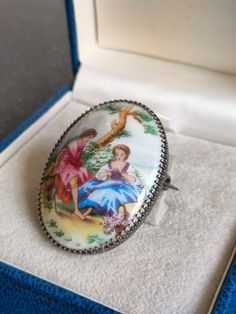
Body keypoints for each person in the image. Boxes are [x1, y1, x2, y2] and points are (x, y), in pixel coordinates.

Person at [78, 144, 144, 217]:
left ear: (126, 155)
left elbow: (133, 179)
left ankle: (111, 214)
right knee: (98, 192)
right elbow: (99, 175)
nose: (119, 157)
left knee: (111, 194)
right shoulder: (110, 164)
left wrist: (122, 174)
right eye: (117, 154)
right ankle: (88, 211)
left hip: (122, 186)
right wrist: (108, 173)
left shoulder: (128, 166)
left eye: (122, 155)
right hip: (110, 183)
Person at [54, 128, 97, 220]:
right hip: (66, 165)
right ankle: (76, 209)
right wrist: (79, 165)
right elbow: (71, 158)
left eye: (91, 138)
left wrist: (80, 165)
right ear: (84, 135)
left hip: (74, 165)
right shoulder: (74, 144)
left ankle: (87, 206)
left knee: (88, 176)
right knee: (74, 179)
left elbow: (77, 158)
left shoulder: (83, 144)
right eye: (89, 137)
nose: (89, 139)